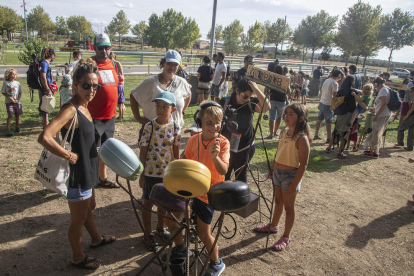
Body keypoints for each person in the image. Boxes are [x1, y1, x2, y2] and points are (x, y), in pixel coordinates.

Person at [37, 59, 116, 270]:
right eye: (86, 85)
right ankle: (77, 257)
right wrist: (68, 155)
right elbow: (45, 136)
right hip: (78, 174)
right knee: (77, 219)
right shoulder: (71, 109)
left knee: (90, 207)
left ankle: (96, 239)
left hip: (88, 170)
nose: (91, 90)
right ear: (75, 85)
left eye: (95, 85)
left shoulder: (84, 107)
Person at [163, 101, 229, 275]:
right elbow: (185, 160)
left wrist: (214, 157)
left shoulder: (223, 143)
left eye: (218, 122)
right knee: (171, 221)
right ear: (199, 123)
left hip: (208, 193)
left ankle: (217, 262)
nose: (214, 126)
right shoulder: (193, 140)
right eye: (209, 123)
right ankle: (181, 248)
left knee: (203, 233)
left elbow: (223, 170)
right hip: (189, 187)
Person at [254, 103, 311, 251]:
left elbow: (304, 164)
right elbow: (279, 151)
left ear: (301, 118)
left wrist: (294, 184)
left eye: (291, 114)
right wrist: (273, 168)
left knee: (289, 207)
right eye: (286, 113)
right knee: (278, 202)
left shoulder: (301, 138)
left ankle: (286, 236)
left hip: (290, 176)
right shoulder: (283, 132)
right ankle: (273, 226)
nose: (287, 117)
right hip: (278, 173)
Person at [138, 91, 180, 250]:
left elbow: (175, 152)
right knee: (147, 202)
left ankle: (161, 227)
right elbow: (143, 151)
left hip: (167, 174)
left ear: (173, 110)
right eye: (158, 106)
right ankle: (148, 234)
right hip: (150, 173)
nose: (160, 109)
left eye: (165, 106)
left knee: (163, 200)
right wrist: (142, 174)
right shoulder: (149, 127)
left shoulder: (175, 127)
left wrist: (176, 171)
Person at [130, 50, 191, 144]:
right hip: (152, 132)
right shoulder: (151, 82)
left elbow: (188, 95)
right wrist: (138, 117)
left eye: (175, 64)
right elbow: (134, 96)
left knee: (172, 158)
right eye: (169, 63)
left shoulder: (182, 82)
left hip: (173, 133)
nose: (172, 67)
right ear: (163, 62)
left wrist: (182, 112)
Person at [219, 79, 270, 182]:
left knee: (240, 176)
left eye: (250, 96)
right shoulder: (225, 101)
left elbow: (266, 107)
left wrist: (256, 89)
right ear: (237, 90)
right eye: (245, 96)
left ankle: (239, 197)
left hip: (245, 146)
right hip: (226, 146)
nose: (247, 99)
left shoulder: (251, 103)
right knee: (224, 174)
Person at [88, 33, 120, 188]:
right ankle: (90, 179)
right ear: (94, 47)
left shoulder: (111, 63)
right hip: (94, 116)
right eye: (101, 48)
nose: (104, 51)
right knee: (92, 151)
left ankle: (102, 178)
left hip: (110, 116)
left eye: (107, 47)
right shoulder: (89, 64)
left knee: (106, 151)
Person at [326, 75, 356, 158]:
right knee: (344, 132)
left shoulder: (340, 91)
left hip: (339, 113)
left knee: (336, 130)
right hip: (347, 114)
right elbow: (353, 105)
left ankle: (329, 147)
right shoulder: (351, 92)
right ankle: (340, 152)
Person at [363, 77, 391, 158]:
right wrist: (375, 109)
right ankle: (372, 150)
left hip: (382, 115)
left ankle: (375, 152)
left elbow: (384, 103)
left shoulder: (383, 90)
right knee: (375, 132)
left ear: (377, 84)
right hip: (384, 114)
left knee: (376, 133)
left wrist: (377, 115)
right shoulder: (386, 89)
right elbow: (382, 104)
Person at [314, 70, 342, 143]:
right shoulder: (334, 83)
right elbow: (334, 95)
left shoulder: (326, 80)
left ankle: (316, 134)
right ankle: (329, 138)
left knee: (319, 119)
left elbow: (322, 91)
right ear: (338, 76)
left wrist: (319, 101)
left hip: (322, 102)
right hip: (328, 104)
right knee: (328, 121)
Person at [266, 65, 289, 139]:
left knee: (271, 117)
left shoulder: (272, 78)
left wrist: (267, 94)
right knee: (279, 117)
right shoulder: (284, 79)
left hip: (272, 99)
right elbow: (289, 91)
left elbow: (266, 89)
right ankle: (275, 131)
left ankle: (271, 133)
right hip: (282, 100)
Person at [1, 68, 23, 137]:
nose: (14, 75)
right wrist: (9, 98)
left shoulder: (17, 83)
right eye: (12, 74)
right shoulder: (6, 83)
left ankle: (17, 127)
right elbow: (3, 92)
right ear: (8, 75)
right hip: (9, 102)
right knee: (10, 115)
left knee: (17, 115)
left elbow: (20, 92)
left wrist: (18, 99)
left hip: (17, 102)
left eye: (15, 74)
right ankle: (8, 129)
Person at [39, 47, 56, 128]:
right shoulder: (44, 63)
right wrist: (47, 89)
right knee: (45, 104)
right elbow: (43, 76)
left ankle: (46, 122)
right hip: (45, 87)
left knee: (48, 104)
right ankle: (45, 124)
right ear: (52, 55)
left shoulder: (45, 63)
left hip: (48, 87)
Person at [109, 52, 125, 121]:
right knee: (117, 102)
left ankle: (121, 116)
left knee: (120, 103)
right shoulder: (109, 63)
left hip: (118, 85)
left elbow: (121, 74)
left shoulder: (117, 63)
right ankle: (119, 116)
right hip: (114, 85)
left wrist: (122, 83)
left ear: (114, 57)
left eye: (111, 56)